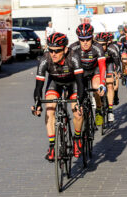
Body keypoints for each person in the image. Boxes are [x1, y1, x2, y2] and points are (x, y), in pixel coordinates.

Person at [31, 32, 84, 160]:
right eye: (50, 50)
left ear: (65, 49)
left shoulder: (73, 57)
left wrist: (79, 102)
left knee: (77, 112)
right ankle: (52, 146)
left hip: (73, 83)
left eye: (57, 51)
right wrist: (37, 103)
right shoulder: (45, 59)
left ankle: (77, 139)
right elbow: (38, 86)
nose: (53, 54)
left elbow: (81, 83)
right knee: (49, 109)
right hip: (55, 83)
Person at [70, 23, 107, 130]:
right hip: (80, 72)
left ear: (92, 37)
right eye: (82, 40)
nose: (85, 42)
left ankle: (99, 109)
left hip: (94, 71)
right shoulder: (73, 47)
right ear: (78, 39)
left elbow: (102, 67)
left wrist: (102, 84)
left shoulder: (98, 47)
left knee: (96, 88)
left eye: (88, 39)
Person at [95, 32, 121, 120]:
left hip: (109, 64)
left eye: (103, 45)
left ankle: (110, 110)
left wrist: (117, 73)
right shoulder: (94, 49)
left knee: (110, 85)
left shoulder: (112, 49)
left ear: (107, 43)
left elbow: (117, 64)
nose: (101, 47)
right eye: (99, 44)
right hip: (98, 66)